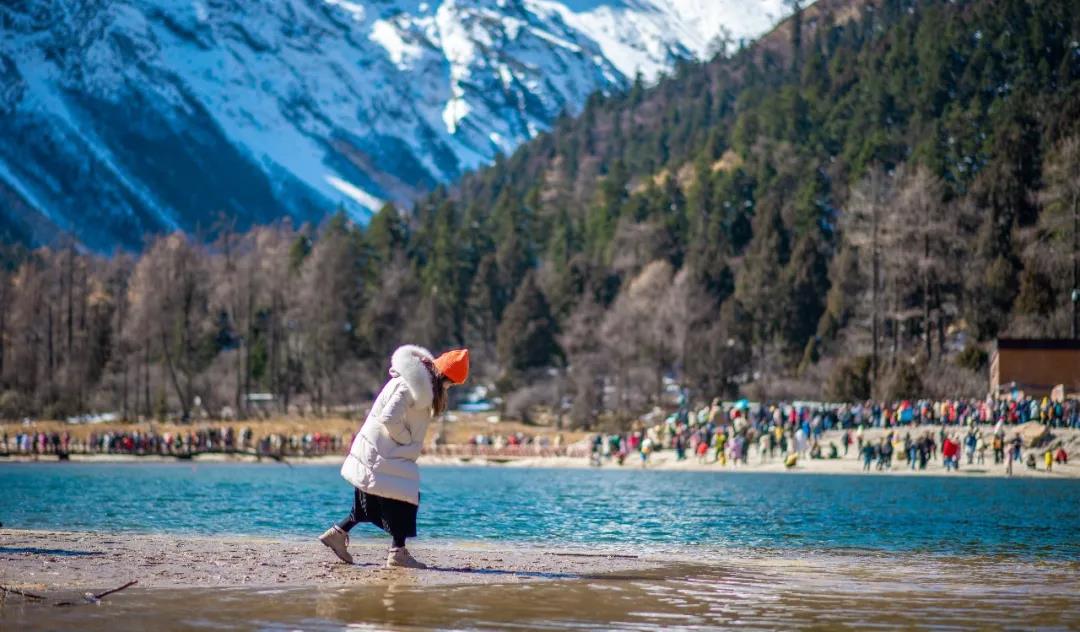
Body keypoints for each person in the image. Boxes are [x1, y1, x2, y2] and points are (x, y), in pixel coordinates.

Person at [320, 345, 469, 569]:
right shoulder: (412, 385)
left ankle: (338, 533)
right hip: (386, 453)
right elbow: (389, 417)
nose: (449, 388)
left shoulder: (417, 383)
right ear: (445, 376)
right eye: (451, 383)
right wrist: (407, 440)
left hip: (380, 452)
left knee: (370, 503)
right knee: (406, 500)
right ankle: (397, 553)